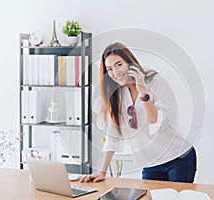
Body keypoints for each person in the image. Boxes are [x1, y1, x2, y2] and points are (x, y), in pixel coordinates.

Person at [80, 42, 196, 183]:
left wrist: (142, 91)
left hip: (178, 158)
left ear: (129, 62)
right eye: (109, 69)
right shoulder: (117, 96)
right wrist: (102, 172)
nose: (115, 72)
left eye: (119, 64)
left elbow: (158, 123)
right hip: (150, 164)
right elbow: (113, 134)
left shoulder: (155, 81)